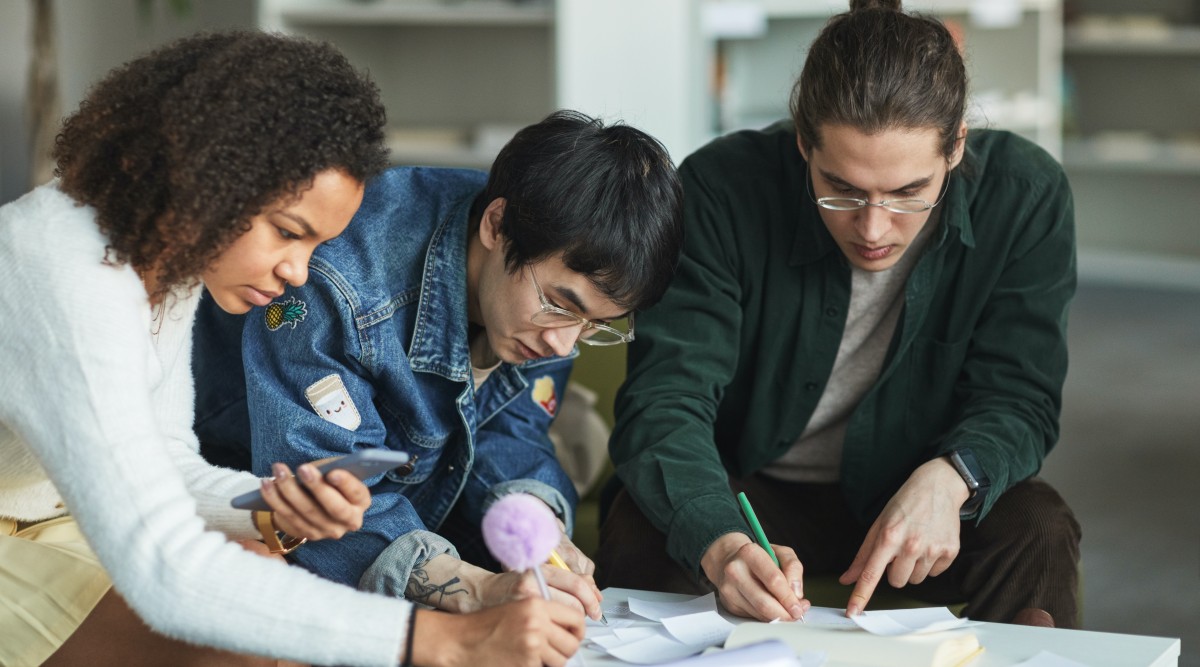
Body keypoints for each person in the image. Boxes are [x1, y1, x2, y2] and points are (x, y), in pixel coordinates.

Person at [0, 31, 583, 667]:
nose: (298, 273)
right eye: (287, 233)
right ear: (209, 179)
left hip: (46, 522)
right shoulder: (65, 275)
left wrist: (272, 513)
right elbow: (166, 569)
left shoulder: (162, 261)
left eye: (312, 247)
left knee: (261, 573)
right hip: (30, 534)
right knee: (241, 623)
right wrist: (446, 641)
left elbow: (165, 459)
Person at [595, 0, 1082, 629]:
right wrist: (720, 541)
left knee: (1038, 527)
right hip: (752, 492)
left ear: (956, 145)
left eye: (909, 193)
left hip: (921, 490)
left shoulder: (1026, 197)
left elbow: (1020, 397)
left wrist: (954, 477)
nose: (874, 228)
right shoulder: (720, 189)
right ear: (804, 142)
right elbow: (666, 400)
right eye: (842, 189)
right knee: (648, 520)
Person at [192, 110, 684, 619]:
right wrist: (472, 588)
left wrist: (536, 530)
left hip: (409, 536)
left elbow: (510, 428)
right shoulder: (334, 279)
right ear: (496, 226)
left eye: (595, 325)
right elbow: (320, 490)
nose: (564, 344)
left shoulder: (542, 289)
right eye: (561, 306)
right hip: (255, 532)